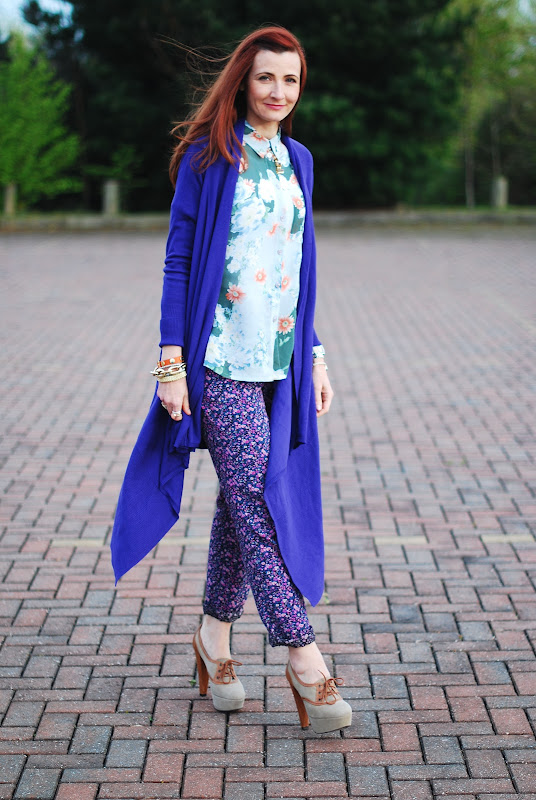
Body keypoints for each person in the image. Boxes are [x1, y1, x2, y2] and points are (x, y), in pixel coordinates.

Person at [110, 25, 352, 734]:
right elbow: (179, 260)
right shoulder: (208, 157)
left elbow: (295, 268)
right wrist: (170, 365)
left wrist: (315, 355)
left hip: (280, 361)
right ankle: (304, 658)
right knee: (256, 501)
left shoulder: (299, 160)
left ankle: (213, 640)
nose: (279, 91)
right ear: (243, 81)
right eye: (266, 77)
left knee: (238, 504)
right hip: (218, 361)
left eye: (291, 80)